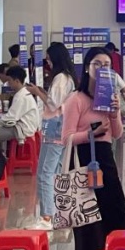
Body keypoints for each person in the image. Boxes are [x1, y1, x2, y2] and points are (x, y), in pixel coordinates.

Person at [62, 48, 125, 250]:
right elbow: (66, 138)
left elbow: (117, 133)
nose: (102, 69)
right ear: (87, 68)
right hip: (82, 161)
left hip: (105, 159)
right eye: (97, 64)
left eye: (107, 65)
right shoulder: (76, 99)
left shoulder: (110, 97)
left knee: (117, 213)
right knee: (88, 220)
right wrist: (92, 132)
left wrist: (115, 112)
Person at [25, 42, 78, 231]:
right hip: (61, 128)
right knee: (53, 172)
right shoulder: (68, 77)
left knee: (45, 173)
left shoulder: (61, 78)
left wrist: (37, 92)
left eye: (48, 58)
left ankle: (46, 216)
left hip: (55, 129)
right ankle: (53, 214)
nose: (47, 62)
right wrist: (41, 91)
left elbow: (53, 103)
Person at [0, 66, 40, 144]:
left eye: (9, 80)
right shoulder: (23, 93)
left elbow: (11, 117)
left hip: (22, 129)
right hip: (26, 127)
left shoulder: (21, 96)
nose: (8, 83)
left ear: (17, 81)